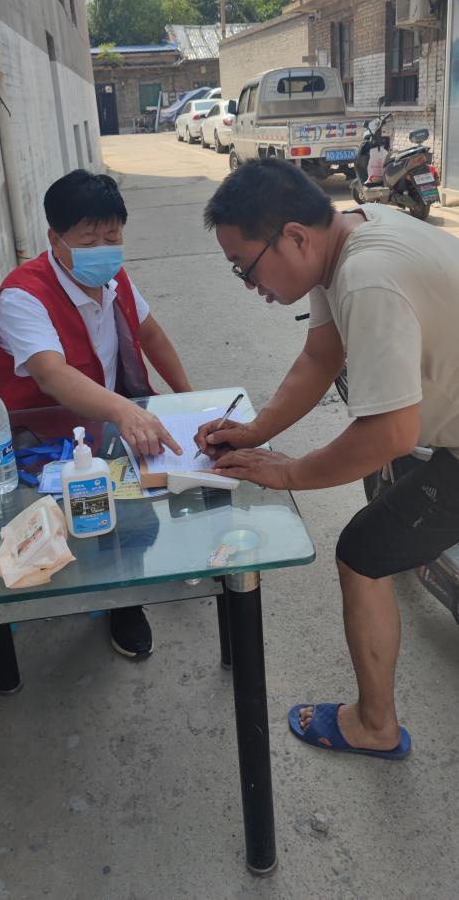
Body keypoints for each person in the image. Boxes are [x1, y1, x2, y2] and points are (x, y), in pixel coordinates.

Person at [195, 156, 459, 760]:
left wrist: (287, 471)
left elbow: (389, 433)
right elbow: (320, 357)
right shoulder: (348, 235)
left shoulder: (366, 277)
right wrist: (254, 431)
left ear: (294, 237)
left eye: (245, 267)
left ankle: (375, 726)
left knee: (361, 553)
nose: (248, 284)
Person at [0, 169, 192, 659]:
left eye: (113, 237)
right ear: (55, 239)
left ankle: (124, 603)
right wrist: (124, 412)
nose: (105, 249)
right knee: (47, 531)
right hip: (35, 440)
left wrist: (190, 399)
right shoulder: (22, 296)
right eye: (90, 239)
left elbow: (151, 334)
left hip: (102, 423)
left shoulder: (114, 278)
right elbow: (51, 375)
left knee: (131, 518)